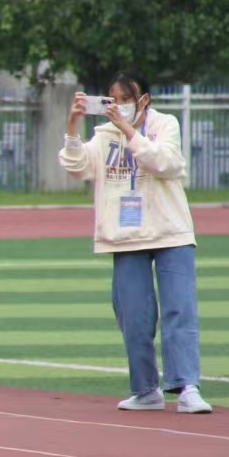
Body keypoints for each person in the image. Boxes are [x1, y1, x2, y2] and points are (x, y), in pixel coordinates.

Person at [60, 72, 211, 414]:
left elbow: (166, 164)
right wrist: (72, 124)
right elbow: (77, 167)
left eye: (127, 99)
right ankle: (145, 390)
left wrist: (129, 131)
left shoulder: (165, 125)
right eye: (113, 99)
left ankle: (187, 387)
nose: (119, 106)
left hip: (170, 230)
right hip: (125, 235)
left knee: (179, 310)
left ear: (144, 100)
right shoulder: (104, 134)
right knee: (134, 316)